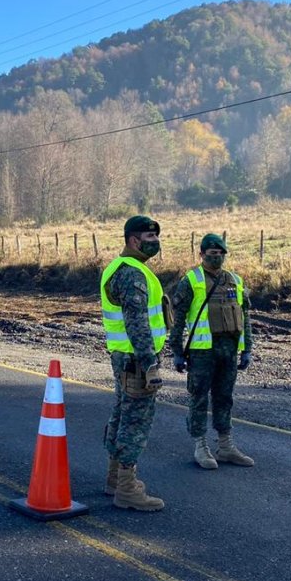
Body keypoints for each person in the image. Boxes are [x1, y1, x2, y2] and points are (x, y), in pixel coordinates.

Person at [100, 215, 170, 512]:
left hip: (123, 356)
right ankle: (127, 488)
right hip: (136, 358)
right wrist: (149, 362)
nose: (155, 242)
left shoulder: (121, 268)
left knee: (122, 412)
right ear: (133, 241)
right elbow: (137, 322)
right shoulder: (131, 274)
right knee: (136, 420)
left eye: (156, 237)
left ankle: (115, 478)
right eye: (149, 238)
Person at [169, 233, 254, 470]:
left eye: (220, 254)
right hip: (201, 352)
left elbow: (245, 316)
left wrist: (247, 348)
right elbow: (178, 320)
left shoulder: (235, 280)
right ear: (202, 254)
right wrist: (176, 351)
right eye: (212, 253)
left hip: (229, 350)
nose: (216, 257)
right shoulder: (191, 280)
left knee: (224, 398)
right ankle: (200, 446)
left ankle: (226, 446)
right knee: (198, 398)